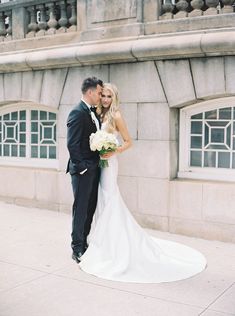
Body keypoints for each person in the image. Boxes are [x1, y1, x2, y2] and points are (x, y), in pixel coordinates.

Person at [78, 82, 207, 283]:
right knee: (101, 200)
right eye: (103, 95)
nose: (105, 99)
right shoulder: (95, 113)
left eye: (109, 96)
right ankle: (102, 242)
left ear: (114, 98)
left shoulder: (116, 116)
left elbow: (129, 142)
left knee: (110, 198)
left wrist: (114, 150)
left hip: (110, 164)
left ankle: (114, 247)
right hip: (98, 164)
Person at [66, 76, 103, 263]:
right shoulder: (77, 112)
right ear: (89, 92)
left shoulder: (93, 112)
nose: (100, 96)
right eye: (98, 92)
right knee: (81, 209)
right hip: (83, 171)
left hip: (95, 168)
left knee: (90, 207)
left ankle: (85, 241)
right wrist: (82, 168)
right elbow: (72, 144)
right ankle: (77, 247)